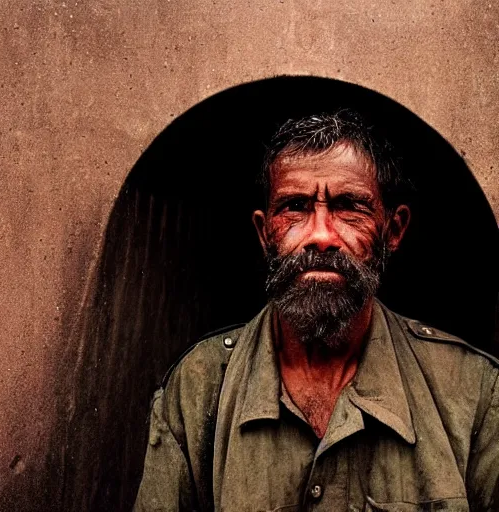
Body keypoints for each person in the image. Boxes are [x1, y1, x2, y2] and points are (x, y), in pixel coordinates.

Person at [133, 110, 499, 511]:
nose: (321, 235)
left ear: (393, 231)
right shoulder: (197, 389)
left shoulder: (474, 392)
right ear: (263, 233)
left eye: (348, 207)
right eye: (295, 207)